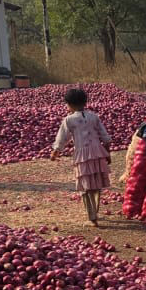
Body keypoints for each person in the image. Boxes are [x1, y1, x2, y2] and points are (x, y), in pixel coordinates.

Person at [51, 87, 113, 226]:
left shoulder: (69, 120)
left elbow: (62, 137)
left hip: (82, 155)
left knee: (85, 186)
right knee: (96, 184)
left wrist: (56, 151)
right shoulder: (94, 117)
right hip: (97, 153)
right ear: (85, 102)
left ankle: (92, 217)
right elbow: (105, 137)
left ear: (70, 104)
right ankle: (95, 212)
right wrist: (107, 154)